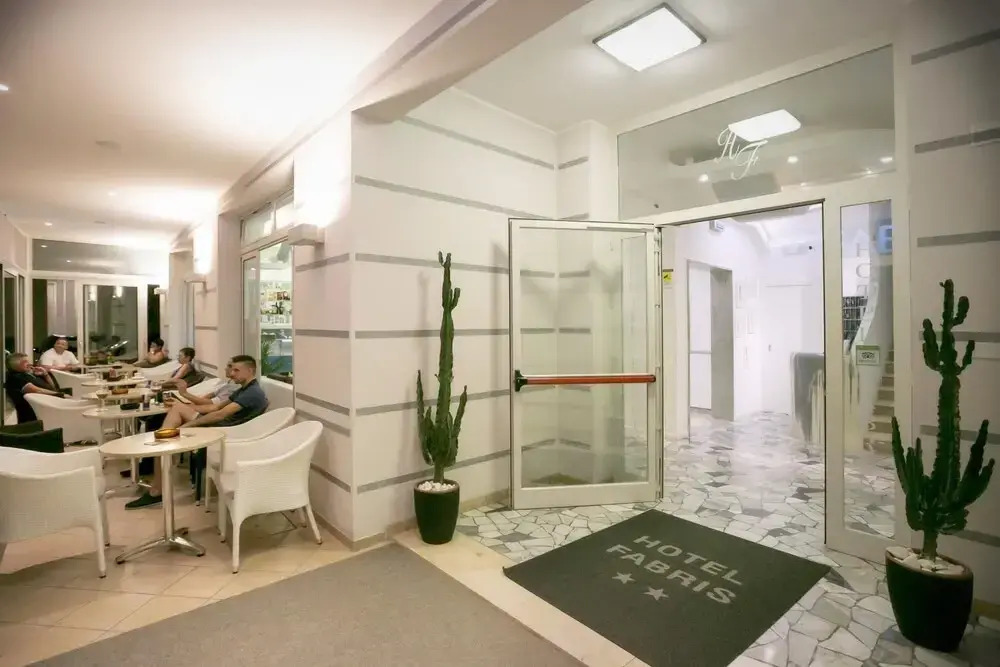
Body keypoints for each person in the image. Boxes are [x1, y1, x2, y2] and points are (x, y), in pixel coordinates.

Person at [126, 355, 269, 509]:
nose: (232, 373)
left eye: (236, 370)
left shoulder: (252, 393)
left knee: (166, 434)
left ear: (250, 370)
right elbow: (214, 407)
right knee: (174, 416)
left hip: (223, 431)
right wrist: (187, 406)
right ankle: (161, 457)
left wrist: (189, 424)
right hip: (220, 424)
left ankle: (158, 483)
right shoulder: (244, 389)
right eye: (231, 369)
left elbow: (220, 415)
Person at [4, 352, 66, 424]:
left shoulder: (29, 374)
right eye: (25, 362)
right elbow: (38, 391)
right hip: (36, 418)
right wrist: (60, 395)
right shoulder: (16, 378)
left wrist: (45, 374)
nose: (29, 364)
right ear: (14, 365)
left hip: (49, 408)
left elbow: (53, 388)